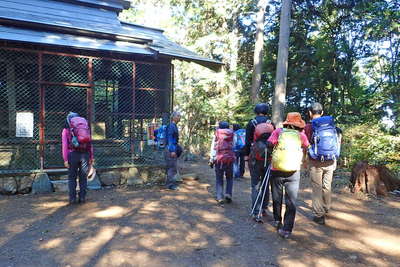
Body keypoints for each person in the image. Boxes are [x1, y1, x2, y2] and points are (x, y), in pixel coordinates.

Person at [267, 112, 309, 238]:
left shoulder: (278, 132)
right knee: (291, 201)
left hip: (277, 170)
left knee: (276, 197)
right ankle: (287, 229)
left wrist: (272, 154)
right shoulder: (301, 135)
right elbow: (306, 146)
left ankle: (277, 220)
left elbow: (269, 144)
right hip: (293, 171)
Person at [304, 103, 342, 225]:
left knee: (316, 188)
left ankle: (319, 215)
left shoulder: (309, 127)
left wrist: (304, 160)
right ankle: (326, 208)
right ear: (322, 112)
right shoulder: (331, 125)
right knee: (327, 185)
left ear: (310, 112)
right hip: (330, 160)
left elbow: (305, 144)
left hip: (315, 161)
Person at [244, 103, 275, 221]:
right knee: (266, 183)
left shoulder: (252, 123)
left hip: (255, 157)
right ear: (267, 111)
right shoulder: (271, 123)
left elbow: (247, 142)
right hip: (269, 157)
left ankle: (256, 211)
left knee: (255, 184)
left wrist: (246, 157)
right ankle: (263, 208)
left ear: (256, 111)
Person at [62, 112, 94, 204]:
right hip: (85, 154)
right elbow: (90, 144)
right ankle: (82, 197)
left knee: (72, 177)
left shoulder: (66, 130)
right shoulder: (85, 128)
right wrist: (91, 157)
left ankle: (72, 198)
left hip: (72, 155)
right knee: (83, 177)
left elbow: (64, 145)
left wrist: (65, 159)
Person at [209, 121, 235, 204]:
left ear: (219, 127)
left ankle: (219, 197)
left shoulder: (217, 134)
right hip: (229, 159)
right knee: (229, 178)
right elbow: (234, 146)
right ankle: (228, 194)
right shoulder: (232, 134)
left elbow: (213, 148)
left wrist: (211, 159)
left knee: (219, 178)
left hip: (219, 159)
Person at [165, 111, 182, 191]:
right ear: (173, 117)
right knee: (172, 167)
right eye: (178, 116)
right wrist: (172, 150)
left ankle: (170, 183)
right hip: (170, 149)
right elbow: (170, 138)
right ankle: (170, 185)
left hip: (173, 148)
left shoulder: (174, 125)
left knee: (172, 166)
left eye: (180, 116)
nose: (180, 117)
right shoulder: (171, 126)